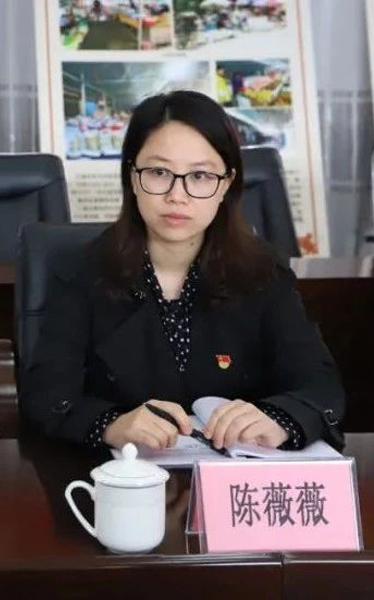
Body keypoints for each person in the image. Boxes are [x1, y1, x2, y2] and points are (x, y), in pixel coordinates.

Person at [20, 90, 344, 453]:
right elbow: (45, 395)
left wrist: (280, 419)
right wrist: (110, 425)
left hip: (237, 479)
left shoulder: (263, 272)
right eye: (159, 172)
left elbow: (320, 386)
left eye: (200, 176)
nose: (178, 195)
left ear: (225, 184)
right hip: (118, 477)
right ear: (132, 177)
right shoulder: (83, 271)